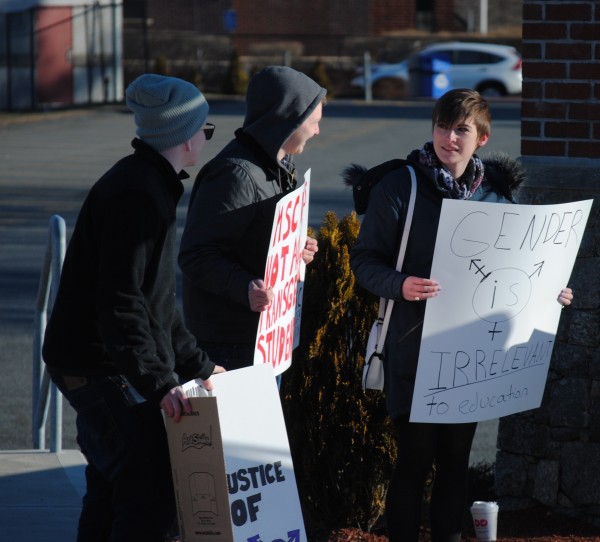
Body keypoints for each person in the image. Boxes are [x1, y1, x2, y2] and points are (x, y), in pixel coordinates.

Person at [347, 88, 573, 542]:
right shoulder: (401, 186)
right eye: (442, 127)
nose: (448, 138)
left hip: (468, 355)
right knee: (413, 461)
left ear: (482, 138)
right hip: (412, 350)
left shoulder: (497, 197)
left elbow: (516, 272)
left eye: (461, 130)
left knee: (455, 462)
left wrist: (550, 292)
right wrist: (401, 284)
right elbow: (364, 260)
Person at [42, 74, 225, 542]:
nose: (205, 140)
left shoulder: (147, 184)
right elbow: (121, 301)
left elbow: (155, 302)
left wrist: (199, 365)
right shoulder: (137, 195)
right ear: (186, 138)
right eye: (206, 131)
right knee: (150, 496)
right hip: (98, 365)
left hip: (99, 361)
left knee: (110, 490)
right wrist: (160, 383)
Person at [178, 65, 326, 370]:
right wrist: (245, 287)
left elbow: (257, 237)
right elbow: (196, 255)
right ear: (288, 118)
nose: (316, 131)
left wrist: (297, 246)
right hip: (229, 345)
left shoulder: (276, 165)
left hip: (261, 337)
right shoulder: (236, 174)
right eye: (313, 122)